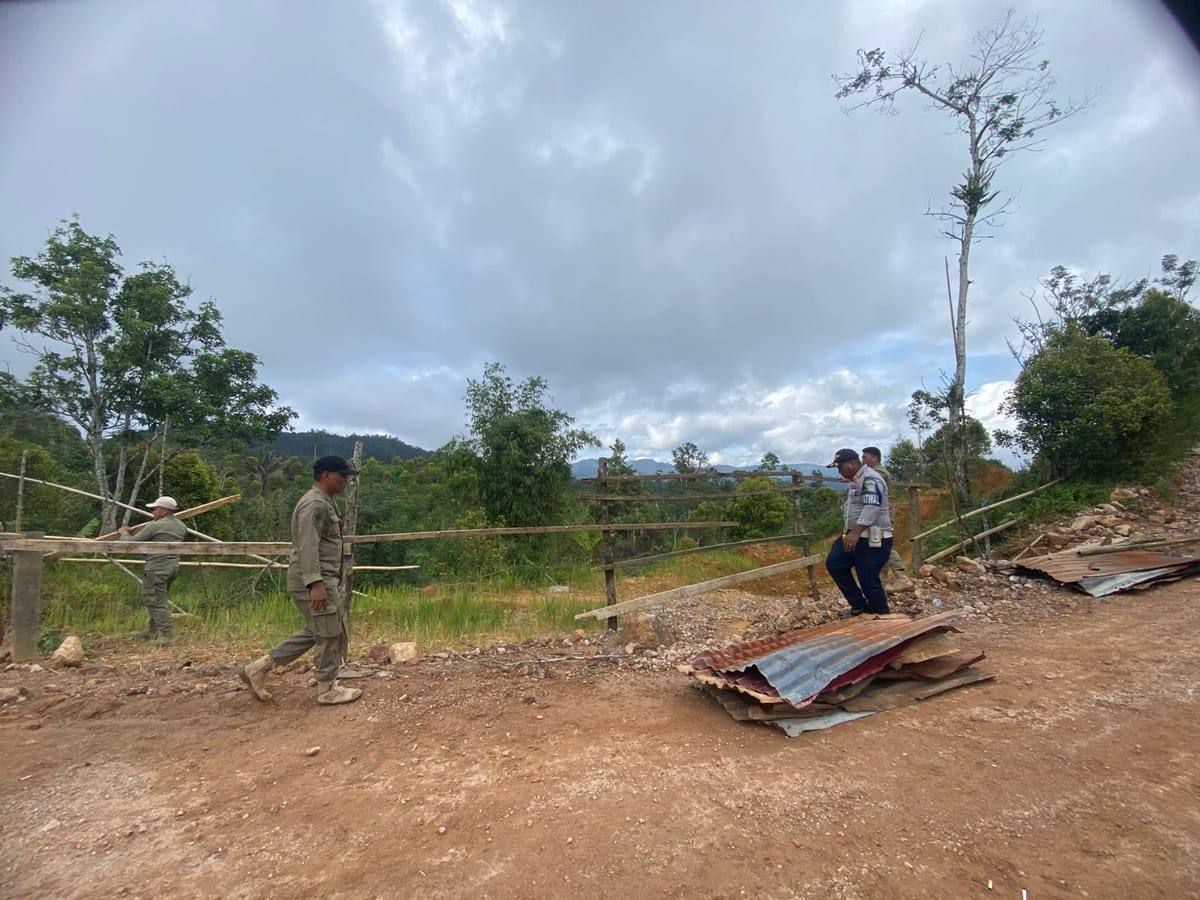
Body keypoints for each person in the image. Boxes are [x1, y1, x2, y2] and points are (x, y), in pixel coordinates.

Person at [241, 456, 362, 706]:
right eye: (342, 476)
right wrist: (315, 583)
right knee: (329, 633)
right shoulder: (315, 504)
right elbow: (308, 546)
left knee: (317, 629)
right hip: (315, 579)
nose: (345, 481)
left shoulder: (323, 501)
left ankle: (259, 668)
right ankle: (327, 689)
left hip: (318, 578)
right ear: (326, 475)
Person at [824, 448, 892, 616]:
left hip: (870, 538)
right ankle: (860, 606)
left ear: (852, 464)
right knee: (835, 563)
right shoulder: (858, 478)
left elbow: (872, 506)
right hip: (855, 536)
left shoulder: (870, 478)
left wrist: (855, 532)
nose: (839, 471)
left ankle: (882, 616)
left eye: (840, 467)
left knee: (868, 580)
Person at [118, 496, 188, 644]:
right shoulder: (181, 526)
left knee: (155, 601)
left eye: (155, 509)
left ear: (164, 510)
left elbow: (129, 544)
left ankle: (167, 635)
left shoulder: (155, 526)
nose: (153, 512)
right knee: (159, 599)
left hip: (157, 568)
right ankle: (152, 630)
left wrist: (124, 533)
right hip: (172, 567)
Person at [861, 446, 915, 592]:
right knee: (877, 547)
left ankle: (901, 577)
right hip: (879, 512)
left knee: (883, 545)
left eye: (865, 457)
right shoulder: (874, 471)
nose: (862, 460)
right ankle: (882, 583)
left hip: (880, 514)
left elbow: (865, 484)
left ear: (874, 458)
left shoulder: (878, 472)